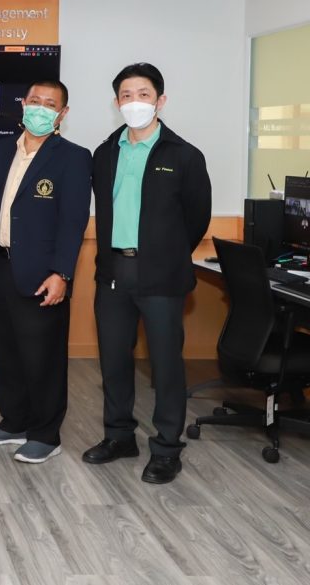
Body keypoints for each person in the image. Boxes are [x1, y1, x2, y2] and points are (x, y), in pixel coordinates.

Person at [82, 63, 211, 484]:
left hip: (162, 277)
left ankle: (167, 448)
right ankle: (119, 436)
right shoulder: (105, 153)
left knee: (166, 365)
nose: (134, 102)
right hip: (112, 272)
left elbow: (197, 218)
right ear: (116, 102)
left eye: (143, 94)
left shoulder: (184, 155)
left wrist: (165, 254)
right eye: (126, 95)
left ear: (160, 100)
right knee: (114, 360)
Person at [0, 80, 92, 464]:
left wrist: (62, 273)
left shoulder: (73, 157)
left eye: (50, 104)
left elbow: (73, 221)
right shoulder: (3, 149)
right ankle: (14, 422)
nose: (40, 108)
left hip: (42, 274)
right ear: (23, 104)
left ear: (63, 113)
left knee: (43, 358)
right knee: (4, 352)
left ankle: (45, 433)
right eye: (35, 101)